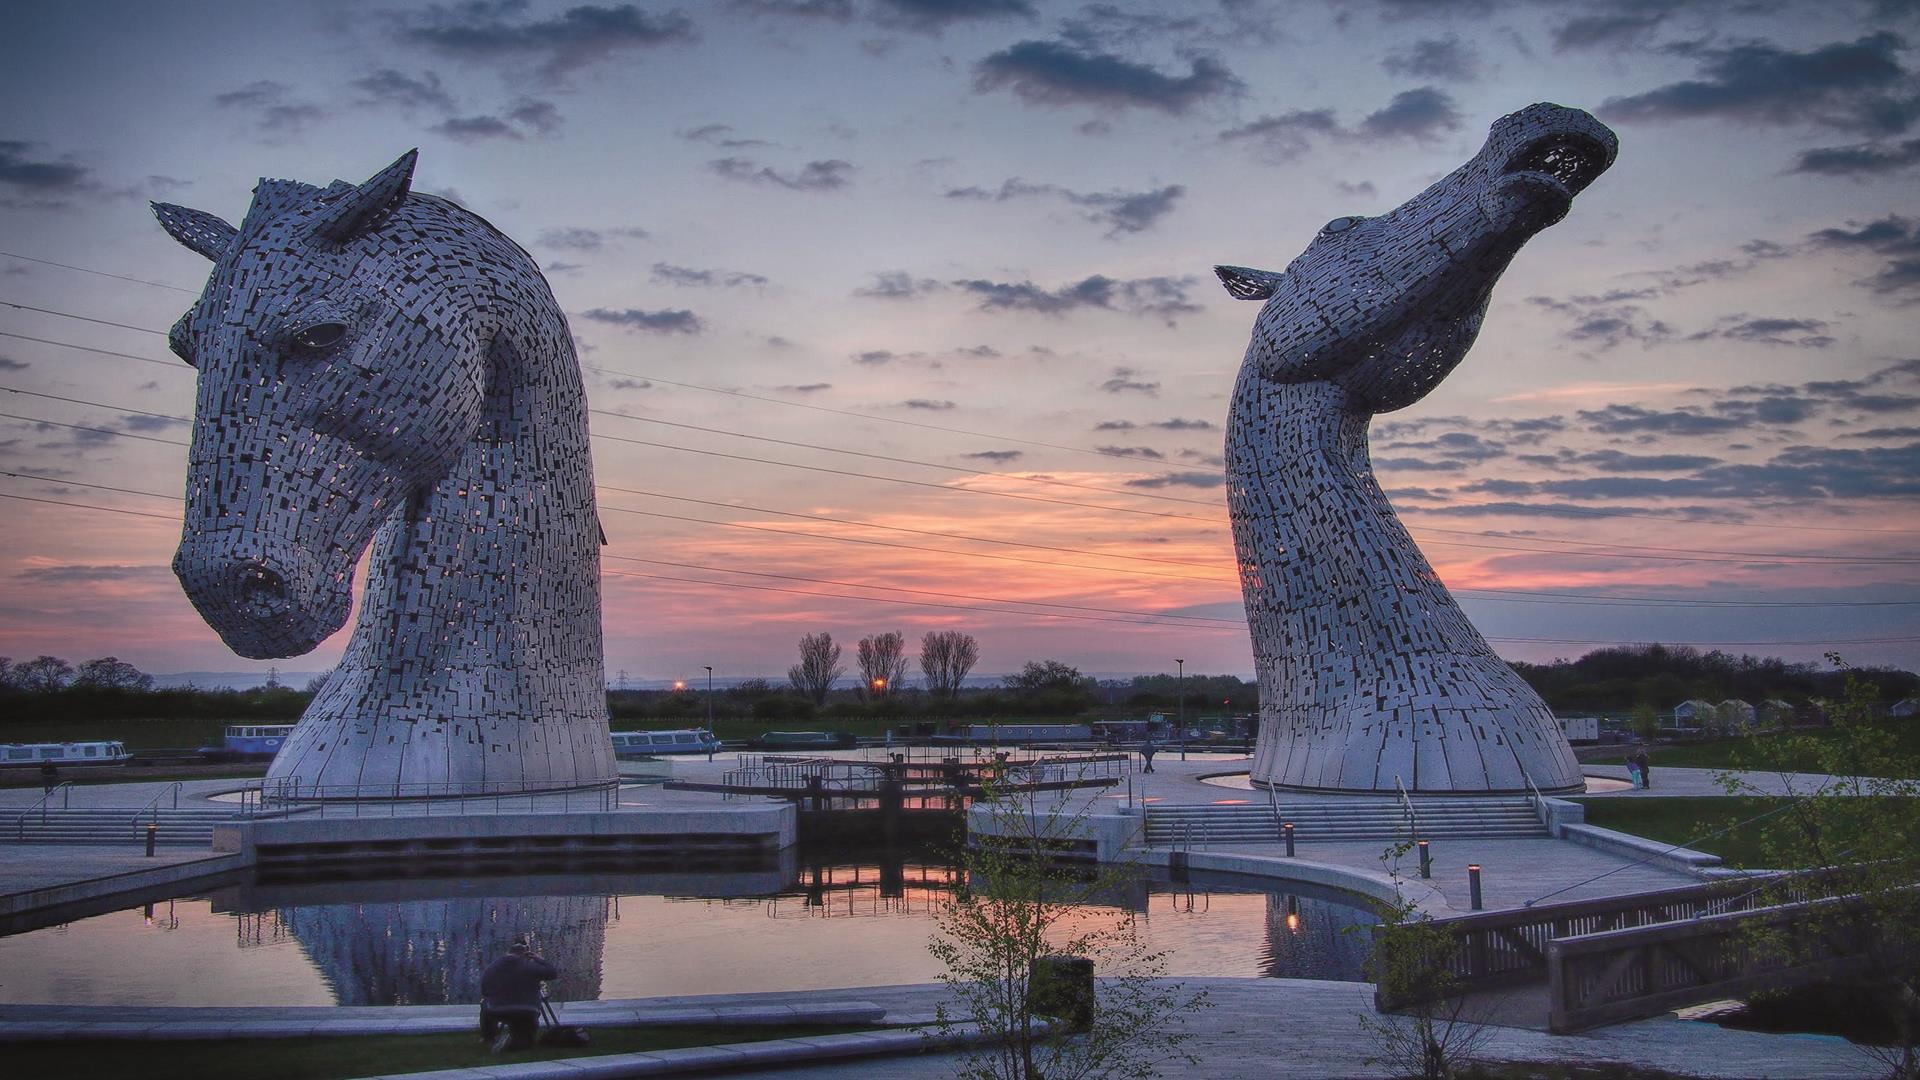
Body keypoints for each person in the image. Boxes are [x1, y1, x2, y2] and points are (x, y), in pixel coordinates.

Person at [480, 939, 558, 1052]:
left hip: (498, 1010)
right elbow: (553, 973)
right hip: (527, 1011)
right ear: (526, 955)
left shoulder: (493, 967)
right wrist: (539, 960)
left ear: (508, 952)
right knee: (525, 1041)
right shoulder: (531, 966)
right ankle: (517, 1041)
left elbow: (485, 990)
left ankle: (489, 1037)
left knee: (485, 1004)